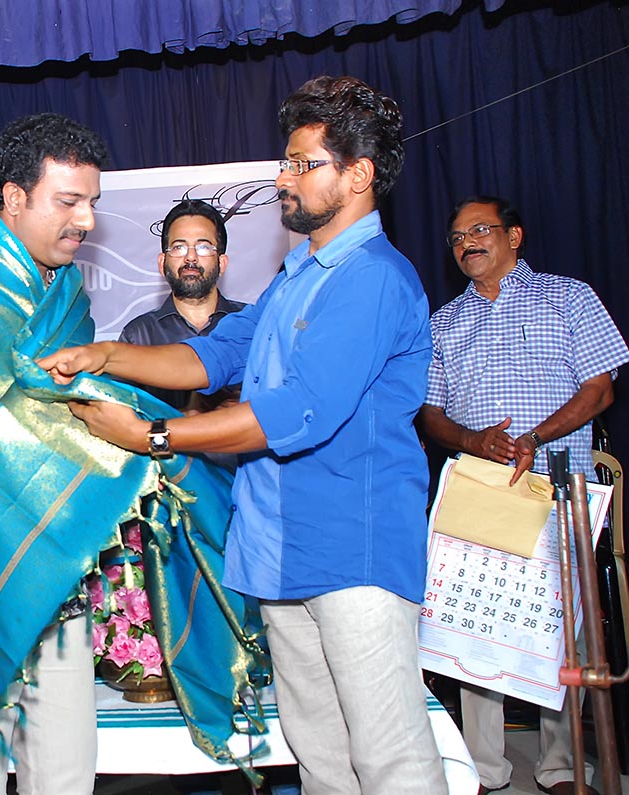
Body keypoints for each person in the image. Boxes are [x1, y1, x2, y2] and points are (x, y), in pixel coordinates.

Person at [38, 75, 447, 793]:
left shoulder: (373, 278)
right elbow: (213, 355)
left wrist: (150, 435)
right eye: (285, 162)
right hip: (281, 551)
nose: (283, 179)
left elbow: (298, 410)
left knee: (390, 759)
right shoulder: (297, 276)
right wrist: (104, 355)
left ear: (358, 175)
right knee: (320, 755)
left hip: (354, 550)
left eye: (303, 164)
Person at [0, 113, 268, 795]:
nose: (86, 220)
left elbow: (77, 403)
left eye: (92, 202)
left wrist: (139, 434)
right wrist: (132, 440)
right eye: (68, 201)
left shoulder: (64, 291)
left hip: (57, 572)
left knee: (65, 766)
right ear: (13, 196)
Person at [418, 195, 629, 795]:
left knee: (560, 622)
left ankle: (562, 765)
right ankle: (482, 767)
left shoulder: (568, 297)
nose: (467, 244)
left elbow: (600, 390)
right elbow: (429, 414)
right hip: (479, 484)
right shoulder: (443, 322)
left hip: (556, 480)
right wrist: (473, 440)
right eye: (457, 238)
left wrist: (533, 438)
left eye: (480, 231)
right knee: (475, 620)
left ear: (514, 236)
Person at [118, 199, 246, 412]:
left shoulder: (251, 325)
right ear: (162, 263)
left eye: (203, 247)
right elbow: (122, 412)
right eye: (179, 247)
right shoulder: (139, 335)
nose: (191, 257)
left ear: (222, 263)